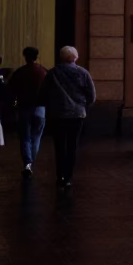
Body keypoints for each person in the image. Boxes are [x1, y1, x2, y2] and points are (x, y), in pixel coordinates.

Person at [39, 46, 96, 188]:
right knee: (72, 146)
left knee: (59, 146)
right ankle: (69, 177)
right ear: (75, 57)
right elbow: (92, 96)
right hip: (77, 114)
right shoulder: (83, 73)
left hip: (57, 115)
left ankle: (60, 176)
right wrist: (83, 105)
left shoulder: (52, 74)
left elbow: (42, 94)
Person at [8, 47, 47, 179]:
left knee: (25, 137)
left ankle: (27, 163)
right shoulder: (43, 72)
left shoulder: (20, 72)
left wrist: (13, 104)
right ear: (37, 56)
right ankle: (30, 162)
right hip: (40, 109)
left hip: (24, 108)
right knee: (36, 137)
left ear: (25, 56)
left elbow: (11, 90)